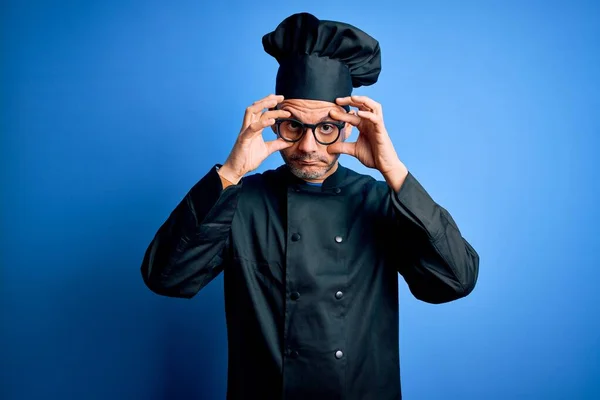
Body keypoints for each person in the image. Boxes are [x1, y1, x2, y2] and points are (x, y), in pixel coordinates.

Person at [141, 12, 479, 400]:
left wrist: (394, 170)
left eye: (326, 127)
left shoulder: (382, 200)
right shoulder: (241, 200)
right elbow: (164, 277)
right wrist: (230, 172)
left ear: (348, 127)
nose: (308, 146)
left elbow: (457, 280)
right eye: (293, 126)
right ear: (273, 123)